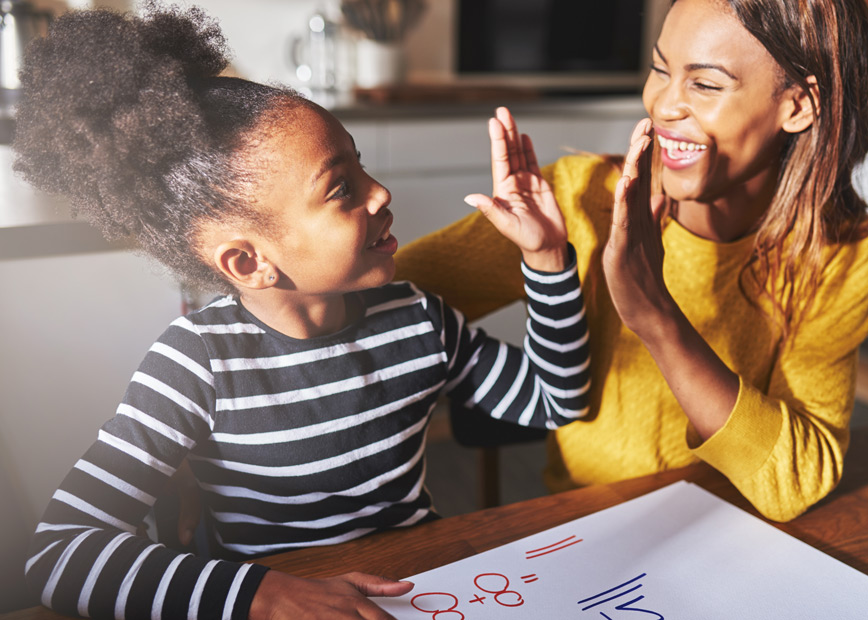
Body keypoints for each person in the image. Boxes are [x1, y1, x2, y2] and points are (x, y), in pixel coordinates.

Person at [14, 5, 590, 620]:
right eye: (340, 186)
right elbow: (60, 554)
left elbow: (555, 402)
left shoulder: (418, 318)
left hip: (418, 588)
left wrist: (548, 257)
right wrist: (263, 593)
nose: (380, 192)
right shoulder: (197, 363)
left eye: (360, 162)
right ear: (247, 263)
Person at [397, 0, 868, 523]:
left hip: (737, 527)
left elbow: (797, 479)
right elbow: (363, 300)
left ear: (799, 105)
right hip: (585, 525)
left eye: (705, 84)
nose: (663, 104)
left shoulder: (839, 252)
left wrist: (657, 318)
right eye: (659, 69)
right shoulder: (577, 199)